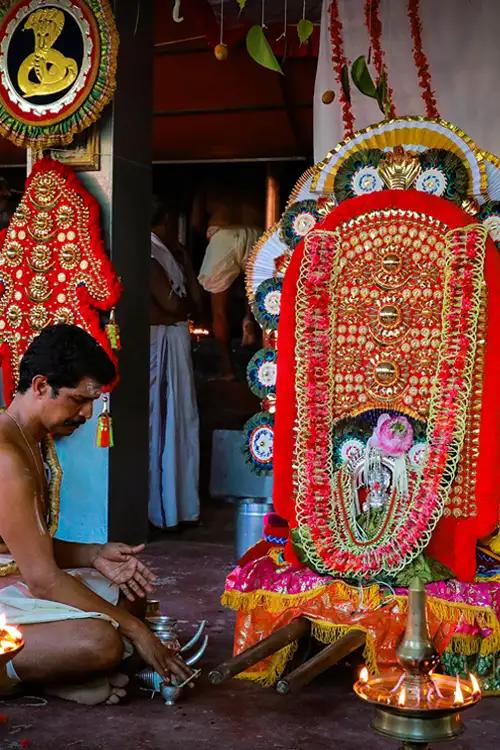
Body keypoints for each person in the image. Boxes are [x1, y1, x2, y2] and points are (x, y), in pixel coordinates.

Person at [0, 324, 193, 704]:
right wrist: (137, 631)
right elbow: (42, 579)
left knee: (126, 591)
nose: (87, 413)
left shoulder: (31, 439)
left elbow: (22, 547)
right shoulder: (6, 458)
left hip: (14, 578)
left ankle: (53, 675)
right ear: (40, 386)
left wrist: (93, 554)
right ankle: (28, 678)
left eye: (93, 402)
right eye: (78, 400)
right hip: (19, 584)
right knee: (99, 641)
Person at [149, 196, 200, 529]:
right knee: (161, 421)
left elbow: (190, 303)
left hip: (173, 340)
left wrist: (185, 260)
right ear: (165, 221)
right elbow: (172, 307)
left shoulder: (169, 254)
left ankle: (178, 505)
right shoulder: (149, 252)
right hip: (159, 347)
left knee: (181, 419)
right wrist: (177, 309)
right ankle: (161, 507)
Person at [195, 185, 262, 380]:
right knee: (266, 296)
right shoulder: (254, 182)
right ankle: (250, 317)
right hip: (257, 232)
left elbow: (196, 222)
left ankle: (227, 370)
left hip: (222, 234)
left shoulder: (210, 184)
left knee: (219, 310)